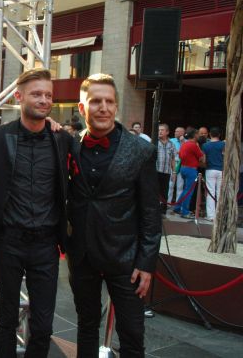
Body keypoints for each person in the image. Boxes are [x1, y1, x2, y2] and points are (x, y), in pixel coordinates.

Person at [67, 74, 161, 357]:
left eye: (109, 101)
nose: (103, 108)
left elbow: (150, 212)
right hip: (82, 255)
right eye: (96, 101)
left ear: (116, 106)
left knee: (132, 335)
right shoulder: (69, 145)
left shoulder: (141, 150)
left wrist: (146, 263)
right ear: (82, 108)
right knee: (86, 325)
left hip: (126, 258)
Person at [0, 68, 71, 358]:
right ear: (19, 97)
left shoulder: (62, 139)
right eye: (37, 94)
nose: (44, 100)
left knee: (43, 326)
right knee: (6, 319)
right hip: (8, 241)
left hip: (46, 244)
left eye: (48, 95)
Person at [173, 128, 205, 219]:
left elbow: (180, 155)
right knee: (189, 191)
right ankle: (185, 211)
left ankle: (177, 207)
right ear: (194, 135)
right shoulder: (193, 145)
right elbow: (201, 158)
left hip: (183, 168)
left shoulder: (184, 144)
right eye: (197, 134)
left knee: (185, 190)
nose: (199, 135)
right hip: (191, 169)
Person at [202, 127, 225, 222]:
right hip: (221, 170)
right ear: (219, 135)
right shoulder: (223, 144)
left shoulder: (205, 145)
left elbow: (204, 160)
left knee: (210, 192)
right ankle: (219, 215)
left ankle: (211, 216)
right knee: (220, 193)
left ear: (210, 134)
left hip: (210, 169)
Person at [156, 124, 176, 216]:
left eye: (162, 130)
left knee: (164, 191)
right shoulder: (155, 142)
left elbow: (173, 159)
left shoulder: (171, 144)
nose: (160, 131)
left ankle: (162, 211)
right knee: (154, 191)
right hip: (155, 171)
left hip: (166, 171)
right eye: (159, 130)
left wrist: (174, 172)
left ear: (167, 132)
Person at [168, 126, 186, 205]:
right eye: (175, 131)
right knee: (170, 185)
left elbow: (186, 152)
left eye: (178, 131)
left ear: (183, 133)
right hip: (173, 163)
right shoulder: (171, 140)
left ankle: (178, 204)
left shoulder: (186, 142)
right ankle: (168, 202)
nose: (175, 133)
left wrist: (182, 142)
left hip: (182, 164)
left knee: (180, 186)